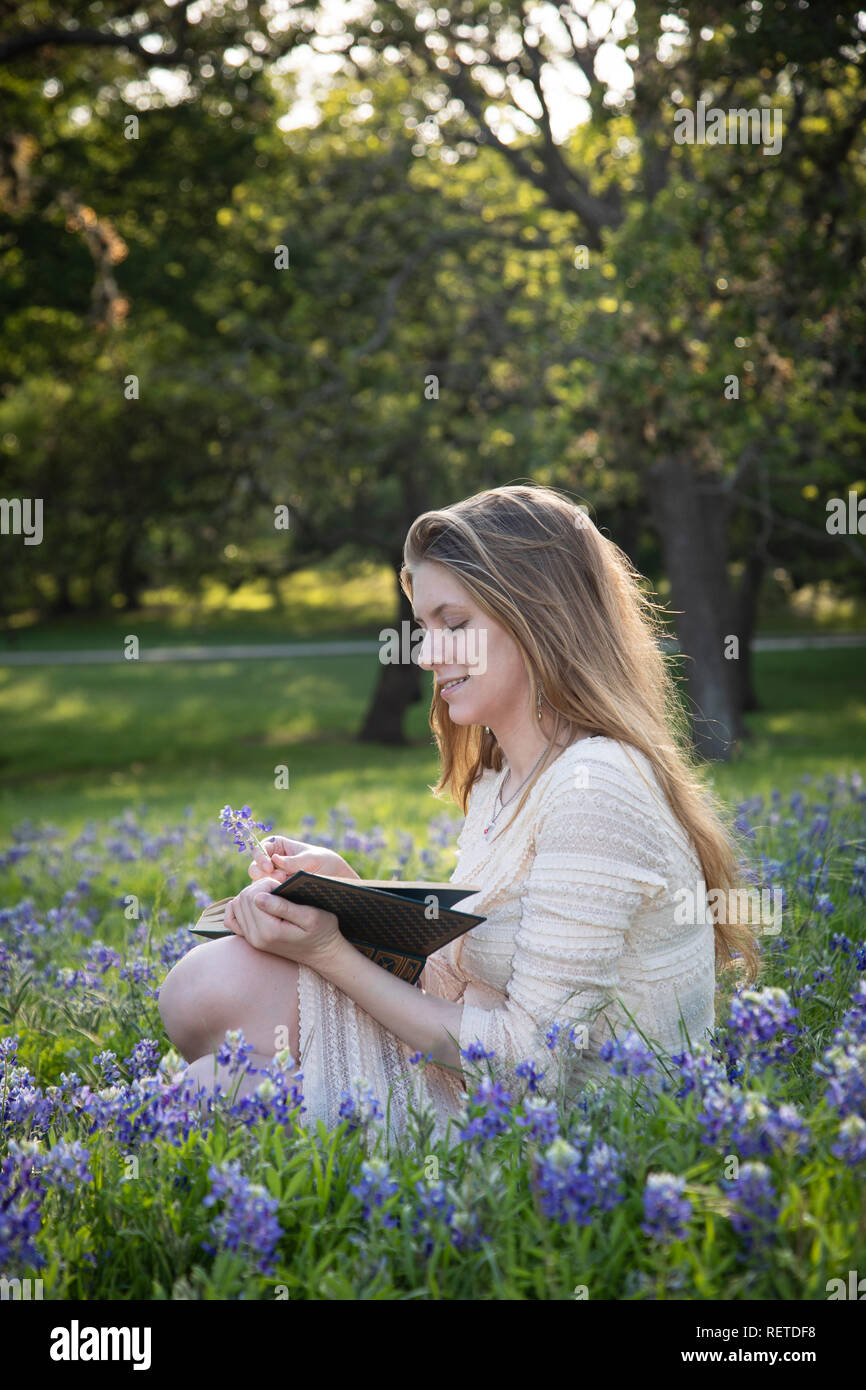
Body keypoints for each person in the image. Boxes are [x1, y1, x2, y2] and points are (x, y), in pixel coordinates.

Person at [157, 483, 759, 1146]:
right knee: (205, 1000)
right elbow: (470, 975)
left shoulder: (596, 789)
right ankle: (292, 1112)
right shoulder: (505, 778)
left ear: (539, 616)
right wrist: (350, 893)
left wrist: (330, 952)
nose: (425, 655)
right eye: (424, 628)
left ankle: (304, 1135)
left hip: (552, 1132)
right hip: (478, 1073)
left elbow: (534, 1067)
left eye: (455, 623)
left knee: (204, 1093)